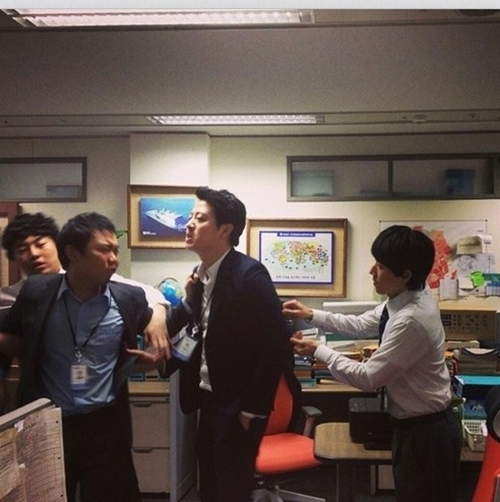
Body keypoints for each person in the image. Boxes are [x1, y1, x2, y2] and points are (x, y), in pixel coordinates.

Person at [284, 225, 462, 502]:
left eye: (380, 266)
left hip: (426, 435)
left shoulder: (412, 320)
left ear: (405, 275)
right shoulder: (407, 297)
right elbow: (360, 324)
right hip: (415, 427)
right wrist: (311, 315)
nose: (371, 271)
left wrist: (320, 350)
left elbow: (368, 378)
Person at [0, 212, 162, 502]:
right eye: (104, 250)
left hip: (105, 424)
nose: (114, 259)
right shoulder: (36, 292)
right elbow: (10, 330)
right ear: (73, 253)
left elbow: (159, 322)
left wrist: (154, 350)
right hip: (48, 423)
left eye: (115, 250)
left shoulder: (129, 298)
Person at [164, 186, 292, 502]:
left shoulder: (250, 275)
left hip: (237, 407)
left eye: (200, 218)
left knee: (231, 491)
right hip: (208, 400)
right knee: (209, 488)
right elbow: (191, 329)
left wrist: (252, 409)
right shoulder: (200, 276)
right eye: (191, 216)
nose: (189, 224)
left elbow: (276, 345)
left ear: (225, 230)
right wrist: (188, 300)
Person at [0, 212, 170, 414]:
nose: (34, 254)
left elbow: (150, 296)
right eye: (22, 249)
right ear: (72, 253)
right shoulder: (29, 293)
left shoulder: (120, 292)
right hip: (47, 415)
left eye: (40, 244)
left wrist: (158, 317)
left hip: (106, 416)